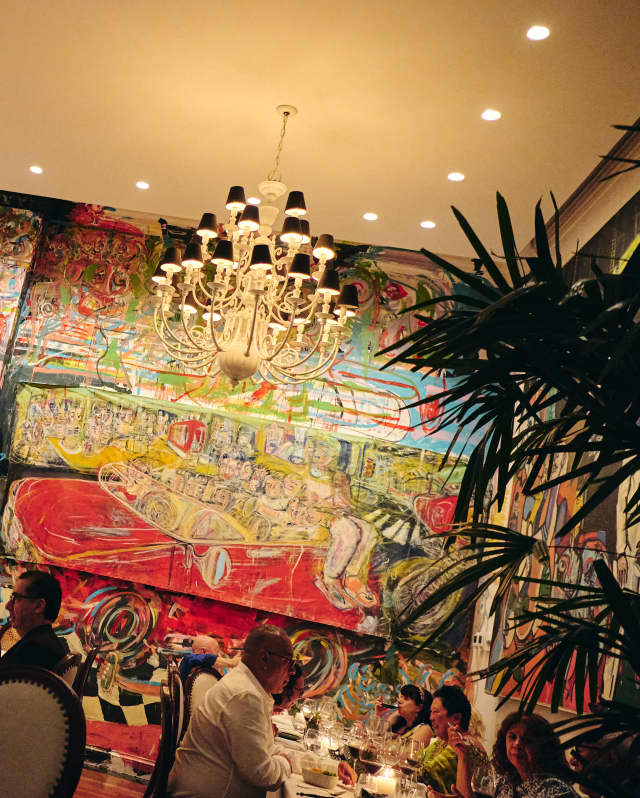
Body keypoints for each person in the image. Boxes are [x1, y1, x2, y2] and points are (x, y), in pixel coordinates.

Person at [168, 624, 295, 798]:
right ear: (264, 658)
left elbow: (263, 748)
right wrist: (288, 763)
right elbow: (263, 775)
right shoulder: (245, 696)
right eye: (289, 661)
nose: (292, 671)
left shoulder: (246, 686)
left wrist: (284, 756)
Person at [430, 713, 579, 798]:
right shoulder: (507, 780)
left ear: (543, 747)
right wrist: (462, 755)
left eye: (526, 740)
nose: (517, 744)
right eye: (512, 737)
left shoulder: (555, 790)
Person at [420, 686, 482, 795]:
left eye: (435, 712)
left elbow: (425, 773)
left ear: (456, 718)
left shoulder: (465, 743)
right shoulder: (442, 741)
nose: (431, 718)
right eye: (431, 712)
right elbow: (418, 759)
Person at [0, 570, 68, 669]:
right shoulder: (47, 642)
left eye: (16, 598)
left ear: (39, 606)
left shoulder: (34, 650)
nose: (8, 606)